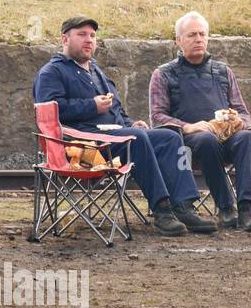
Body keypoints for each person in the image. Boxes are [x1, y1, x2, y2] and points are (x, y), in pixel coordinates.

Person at [33, 16, 215, 237]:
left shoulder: (97, 72)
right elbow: (50, 114)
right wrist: (91, 106)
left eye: (92, 35)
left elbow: (116, 112)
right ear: (65, 39)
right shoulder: (52, 72)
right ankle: (162, 209)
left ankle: (184, 206)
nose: (88, 40)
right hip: (79, 147)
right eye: (81, 35)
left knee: (170, 136)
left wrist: (130, 123)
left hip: (113, 139)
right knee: (136, 138)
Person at [149, 11, 251, 233]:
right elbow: (157, 117)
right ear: (178, 40)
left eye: (202, 34)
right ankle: (225, 207)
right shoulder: (163, 74)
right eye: (192, 35)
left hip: (226, 137)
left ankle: (247, 210)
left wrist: (239, 121)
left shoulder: (223, 71)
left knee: (247, 138)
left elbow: (243, 112)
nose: (198, 39)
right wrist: (187, 126)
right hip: (188, 143)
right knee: (207, 139)